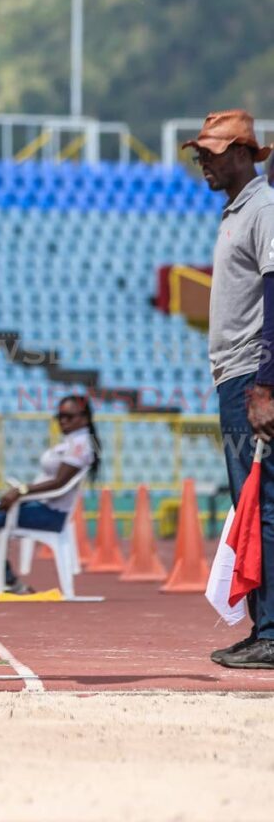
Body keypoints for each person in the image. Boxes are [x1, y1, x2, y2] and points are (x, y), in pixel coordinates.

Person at [182, 109, 274, 669]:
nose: (203, 163)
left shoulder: (263, 209)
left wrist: (265, 383)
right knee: (253, 502)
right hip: (237, 377)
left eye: (211, 153)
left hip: (251, 378)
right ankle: (263, 625)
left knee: (262, 503)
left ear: (243, 151)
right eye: (200, 154)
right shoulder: (237, 211)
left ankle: (270, 630)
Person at [0, 395, 99, 600]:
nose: (63, 421)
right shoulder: (71, 441)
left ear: (84, 418)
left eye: (69, 416)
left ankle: (4, 580)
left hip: (50, 513)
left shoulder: (80, 445)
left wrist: (21, 492)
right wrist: (21, 493)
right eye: (59, 416)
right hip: (40, 506)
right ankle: (1, 577)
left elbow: (59, 483)